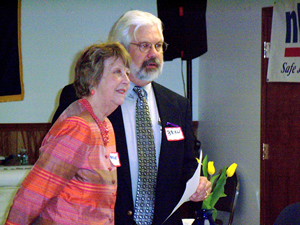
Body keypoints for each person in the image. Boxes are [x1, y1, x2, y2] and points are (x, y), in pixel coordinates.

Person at [52, 10, 211, 225]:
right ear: (122, 51)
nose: (153, 54)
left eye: (158, 46)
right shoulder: (85, 97)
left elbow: (188, 163)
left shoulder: (177, 105)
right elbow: (56, 165)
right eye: (144, 46)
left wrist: (199, 184)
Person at [5, 42, 131, 225]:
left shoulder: (106, 125)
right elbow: (34, 193)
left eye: (127, 72)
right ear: (93, 79)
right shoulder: (79, 127)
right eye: (117, 72)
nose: (127, 79)